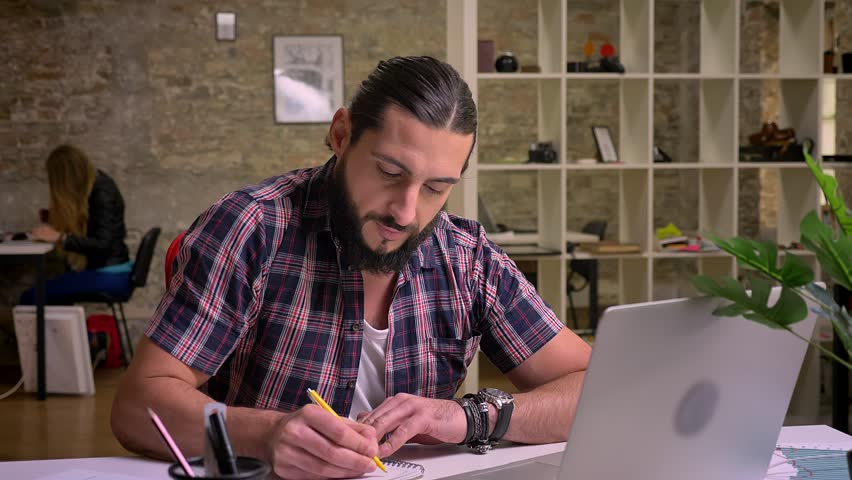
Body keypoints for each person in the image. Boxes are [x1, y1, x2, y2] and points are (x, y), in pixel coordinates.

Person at [111, 56, 591, 479]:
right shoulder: (253, 228)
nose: (405, 212)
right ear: (341, 135)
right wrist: (265, 434)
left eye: (435, 188)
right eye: (389, 172)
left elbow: (597, 387)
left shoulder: (466, 257)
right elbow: (137, 407)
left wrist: (470, 418)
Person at [19, 144, 130, 304]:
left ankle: (84, 331)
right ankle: (76, 330)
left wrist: (61, 238)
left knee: (31, 297)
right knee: (52, 298)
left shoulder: (102, 191)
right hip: (109, 271)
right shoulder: (96, 187)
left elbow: (103, 244)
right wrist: (53, 218)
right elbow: (94, 223)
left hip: (111, 274)